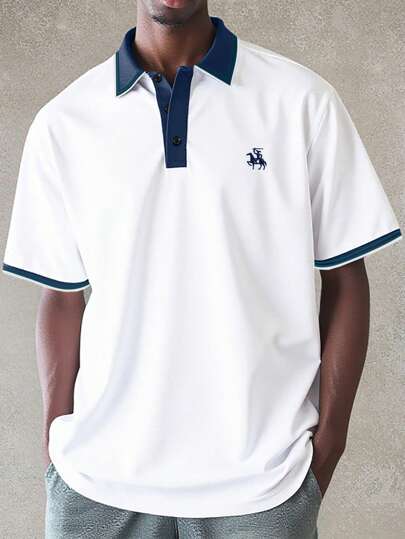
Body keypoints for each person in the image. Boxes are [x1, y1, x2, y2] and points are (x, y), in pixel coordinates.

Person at [3, 0, 402, 537]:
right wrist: (56, 442)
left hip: (263, 485)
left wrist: (329, 443)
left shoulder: (302, 101)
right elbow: (61, 296)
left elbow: (346, 278)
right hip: (96, 484)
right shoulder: (65, 121)